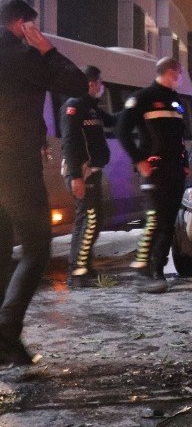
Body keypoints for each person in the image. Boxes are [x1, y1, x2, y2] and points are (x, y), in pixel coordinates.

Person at [0, 0, 88, 365]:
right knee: (37, 248)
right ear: (22, 25)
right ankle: (6, 331)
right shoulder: (25, 57)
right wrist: (46, 49)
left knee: (1, 252)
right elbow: (78, 84)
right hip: (15, 165)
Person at [116, 58, 190, 294]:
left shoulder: (176, 100)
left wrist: (184, 163)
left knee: (168, 223)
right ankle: (142, 271)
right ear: (171, 72)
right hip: (155, 169)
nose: (180, 78)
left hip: (175, 170)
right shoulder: (144, 98)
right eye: (179, 73)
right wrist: (139, 160)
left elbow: (178, 138)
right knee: (155, 219)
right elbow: (121, 130)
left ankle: (157, 271)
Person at [61, 66, 115, 288]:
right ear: (92, 84)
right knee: (87, 220)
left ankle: (85, 266)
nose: (101, 87)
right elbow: (70, 142)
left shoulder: (91, 108)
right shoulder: (74, 106)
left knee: (94, 220)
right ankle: (77, 272)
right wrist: (76, 177)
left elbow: (112, 120)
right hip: (81, 173)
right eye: (100, 83)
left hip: (92, 172)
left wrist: (133, 108)